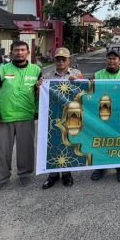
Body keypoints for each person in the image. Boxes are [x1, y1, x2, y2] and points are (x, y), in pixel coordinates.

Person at [0, 40, 42, 192]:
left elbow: (40, 93)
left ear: (28, 52)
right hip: (4, 118)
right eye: (16, 50)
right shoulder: (2, 70)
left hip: (26, 116)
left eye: (23, 50)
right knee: (1, 150)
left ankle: (25, 174)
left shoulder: (36, 70)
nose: (19, 52)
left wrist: (38, 112)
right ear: (11, 53)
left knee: (26, 149)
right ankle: (2, 177)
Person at [40, 47, 83, 189]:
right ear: (54, 60)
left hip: (70, 114)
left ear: (69, 60)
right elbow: (42, 94)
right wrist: (38, 87)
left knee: (67, 143)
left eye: (64, 59)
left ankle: (66, 173)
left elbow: (82, 93)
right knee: (52, 143)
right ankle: (53, 174)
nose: (61, 61)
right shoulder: (47, 76)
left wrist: (76, 82)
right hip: (53, 114)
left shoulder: (76, 74)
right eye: (58, 59)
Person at [91, 50, 120, 182]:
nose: (112, 61)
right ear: (106, 60)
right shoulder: (97, 75)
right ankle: (101, 167)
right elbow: (89, 92)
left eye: (114, 59)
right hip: (102, 113)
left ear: (119, 61)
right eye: (109, 58)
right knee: (101, 140)